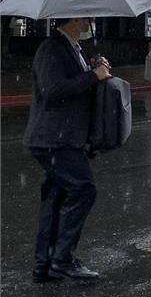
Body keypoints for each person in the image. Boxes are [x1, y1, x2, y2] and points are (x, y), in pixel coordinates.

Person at [24, 17, 111, 282]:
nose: (92, 20)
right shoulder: (52, 48)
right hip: (54, 138)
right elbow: (53, 90)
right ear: (75, 17)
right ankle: (62, 260)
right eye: (88, 15)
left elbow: (77, 83)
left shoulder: (72, 47)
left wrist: (95, 70)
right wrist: (91, 76)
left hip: (62, 138)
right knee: (84, 189)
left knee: (56, 197)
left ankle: (46, 265)